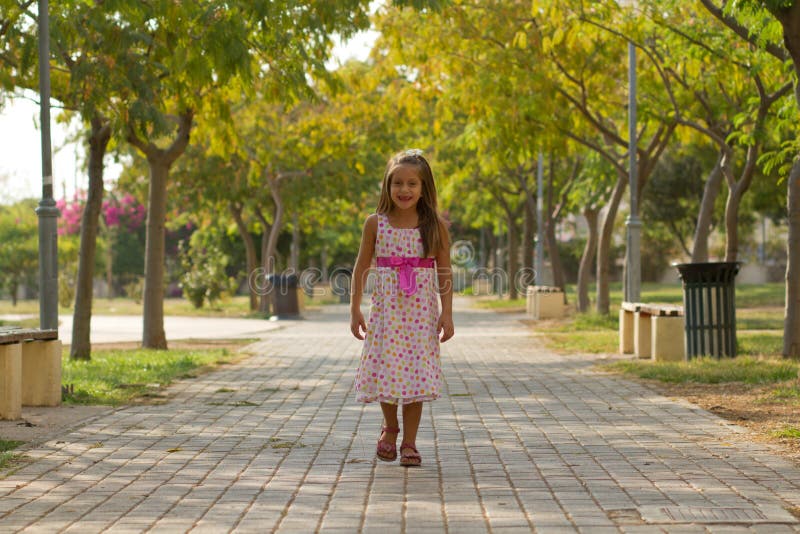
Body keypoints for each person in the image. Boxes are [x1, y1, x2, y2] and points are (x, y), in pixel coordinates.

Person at [350, 149, 454, 467]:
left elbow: (445, 271)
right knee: (388, 372)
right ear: (387, 185)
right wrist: (355, 309)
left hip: (421, 315)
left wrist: (447, 313)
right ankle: (389, 427)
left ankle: (409, 441)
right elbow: (361, 267)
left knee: (416, 379)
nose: (404, 190)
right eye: (398, 183)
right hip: (387, 314)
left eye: (412, 184)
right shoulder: (375, 224)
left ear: (424, 188)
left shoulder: (434, 225)